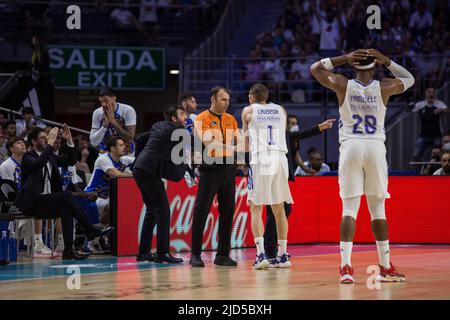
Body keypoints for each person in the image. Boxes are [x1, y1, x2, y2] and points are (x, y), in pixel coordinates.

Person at [310, 48, 414, 283]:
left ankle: (346, 268)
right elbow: (410, 79)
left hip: (351, 147)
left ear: (355, 66)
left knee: (349, 210)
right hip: (375, 147)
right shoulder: (384, 86)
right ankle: (385, 267)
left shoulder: (343, 84)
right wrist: (388, 59)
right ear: (374, 66)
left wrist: (343, 58)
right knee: (378, 210)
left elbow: (315, 69)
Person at [14, 126, 112, 260]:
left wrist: (70, 141)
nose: (47, 140)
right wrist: (50, 143)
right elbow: (38, 163)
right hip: (31, 202)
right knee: (66, 195)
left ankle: (68, 250)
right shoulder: (28, 157)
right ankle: (90, 230)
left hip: (46, 202)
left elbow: (70, 160)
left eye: (46, 137)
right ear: (33, 142)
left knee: (66, 209)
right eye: (43, 138)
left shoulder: (50, 157)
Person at [241, 83, 293, 269]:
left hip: (261, 158)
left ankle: (261, 254)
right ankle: (283, 255)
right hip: (280, 158)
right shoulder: (281, 110)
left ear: (251, 97)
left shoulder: (248, 111)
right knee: (278, 208)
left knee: (255, 207)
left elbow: (246, 144)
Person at [133, 104, 189, 264]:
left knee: (152, 211)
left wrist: (138, 160)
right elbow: (194, 143)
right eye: (182, 114)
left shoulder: (158, 126)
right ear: (174, 118)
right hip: (148, 172)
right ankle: (162, 253)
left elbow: (138, 139)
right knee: (163, 211)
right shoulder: (176, 130)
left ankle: (143, 253)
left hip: (141, 170)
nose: (185, 117)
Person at [190, 86, 238, 268]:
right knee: (201, 212)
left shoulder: (231, 119)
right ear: (213, 99)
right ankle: (195, 254)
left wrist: (236, 148)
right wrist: (233, 148)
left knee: (227, 213)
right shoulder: (202, 118)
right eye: (224, 99)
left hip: (229, 171)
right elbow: (209, 143)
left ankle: (222, 255)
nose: (227, 103)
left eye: (228, 100)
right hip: (210, 171)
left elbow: (238, 142)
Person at [82, 136, 133, 230]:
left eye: (124, 145)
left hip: (107, 198)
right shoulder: (103, 159)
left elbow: (141, 162)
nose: (124, 147)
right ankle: (96, 231)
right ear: (112, 148)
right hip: (92, 196)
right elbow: (116, 174)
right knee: (115, 205)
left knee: (124, 204)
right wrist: (136, 176)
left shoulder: (123, 160)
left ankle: (98, 232)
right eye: (121, 145)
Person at [90, 87, 137, 154]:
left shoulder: (128, 110)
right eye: (101, 101)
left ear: (113, 98)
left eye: (106, 101)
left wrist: (113, 122)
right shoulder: (97, 113)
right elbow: (93, 142)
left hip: (126, 153)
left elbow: (129, 139)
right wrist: (104, 125)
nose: (103, 104)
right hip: (105, 154)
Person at [410, 88, 448, 161]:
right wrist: (409, 105)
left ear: (435, 94)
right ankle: (421, 170)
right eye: (429, 92)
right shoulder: (421, 104)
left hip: (436, 135)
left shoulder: (439, 103)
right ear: (426, 94)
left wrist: (441, 110)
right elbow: (410, 110)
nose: (431, 94)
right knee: (416, 155)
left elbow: (446, 109)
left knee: (438, 155)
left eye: (433, 92)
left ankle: (437, 171)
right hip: (424, 135)